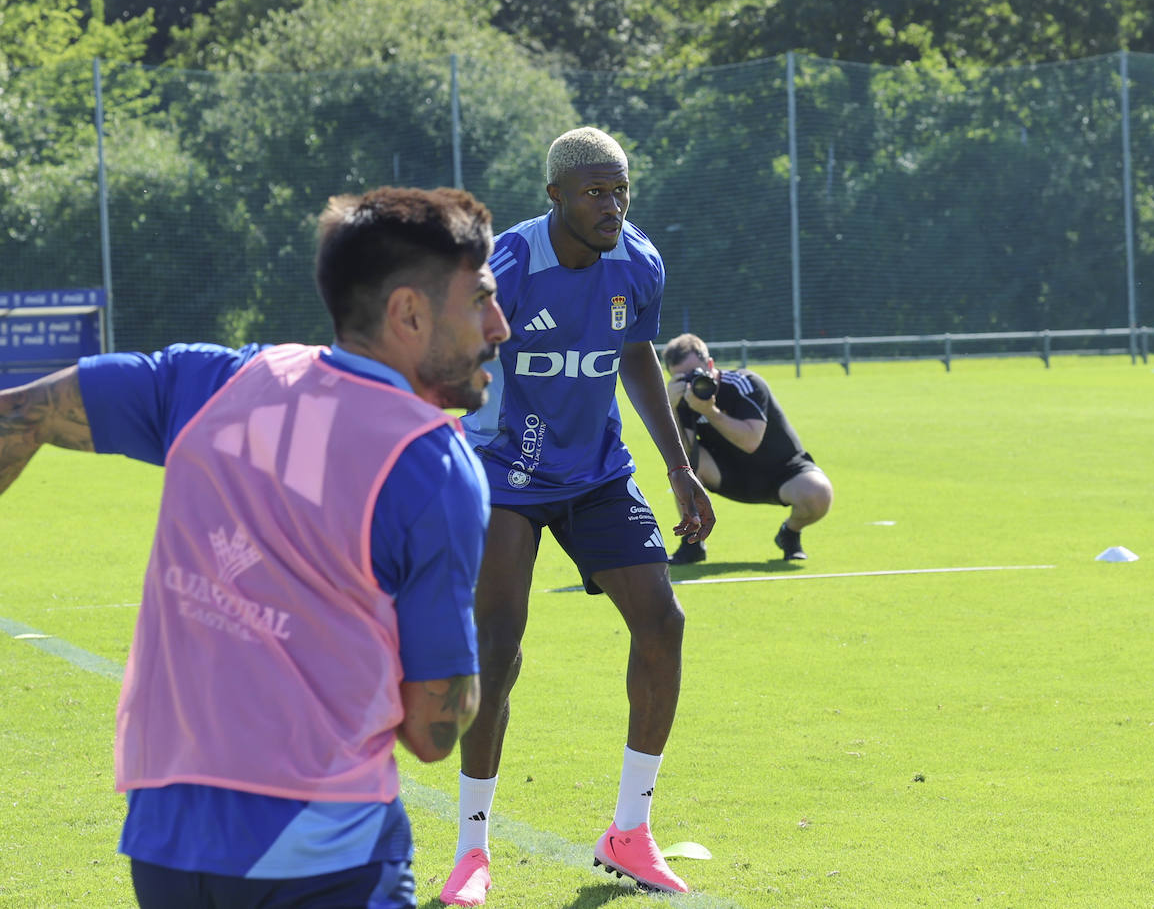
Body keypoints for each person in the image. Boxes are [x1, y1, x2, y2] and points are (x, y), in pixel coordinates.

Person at [0, 187, 511, 908]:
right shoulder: (434, 463)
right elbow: (434, 728)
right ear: (409, 313)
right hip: (320, 849)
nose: (501, 325)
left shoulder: (220, 380)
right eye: (481, 298)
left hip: (164, 838)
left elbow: (21, 414)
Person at [440, 127, 714, 906]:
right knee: (497, 649)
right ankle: (472, 852)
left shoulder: (640, 262)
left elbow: (634, 352)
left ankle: (629, 834)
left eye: (621, 189)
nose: (613, 204)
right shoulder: (511, 268)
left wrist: (679, 467)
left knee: (663, 624)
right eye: (595, 191)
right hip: (505, 473)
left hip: (596, 472)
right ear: (554, 195)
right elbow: (454, 362)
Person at [661, 333, 833, 564]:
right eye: (683, 378)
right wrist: (672, 409)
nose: (692, 382)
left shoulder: (745, 384)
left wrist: (709, 411)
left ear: (710, 364)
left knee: (819, 494)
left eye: (697, 373)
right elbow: (684, 451)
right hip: (727, 475)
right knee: (681, 467)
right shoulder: (683, 399)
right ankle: (692, 543)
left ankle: (789, 533)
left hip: (781, 472)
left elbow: (751, 441)